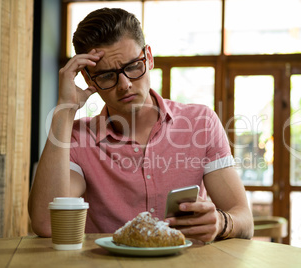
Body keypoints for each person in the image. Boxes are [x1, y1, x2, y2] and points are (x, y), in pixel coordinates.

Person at [28, 7, 253, 242]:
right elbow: (45, 224)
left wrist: (221, 222)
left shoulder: (201, 123)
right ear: (88, 79)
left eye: (133, 66)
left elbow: (245, 220)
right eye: (107, 75)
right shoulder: (77, 138)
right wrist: (65, 109)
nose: (124, 84)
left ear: (149, 57)